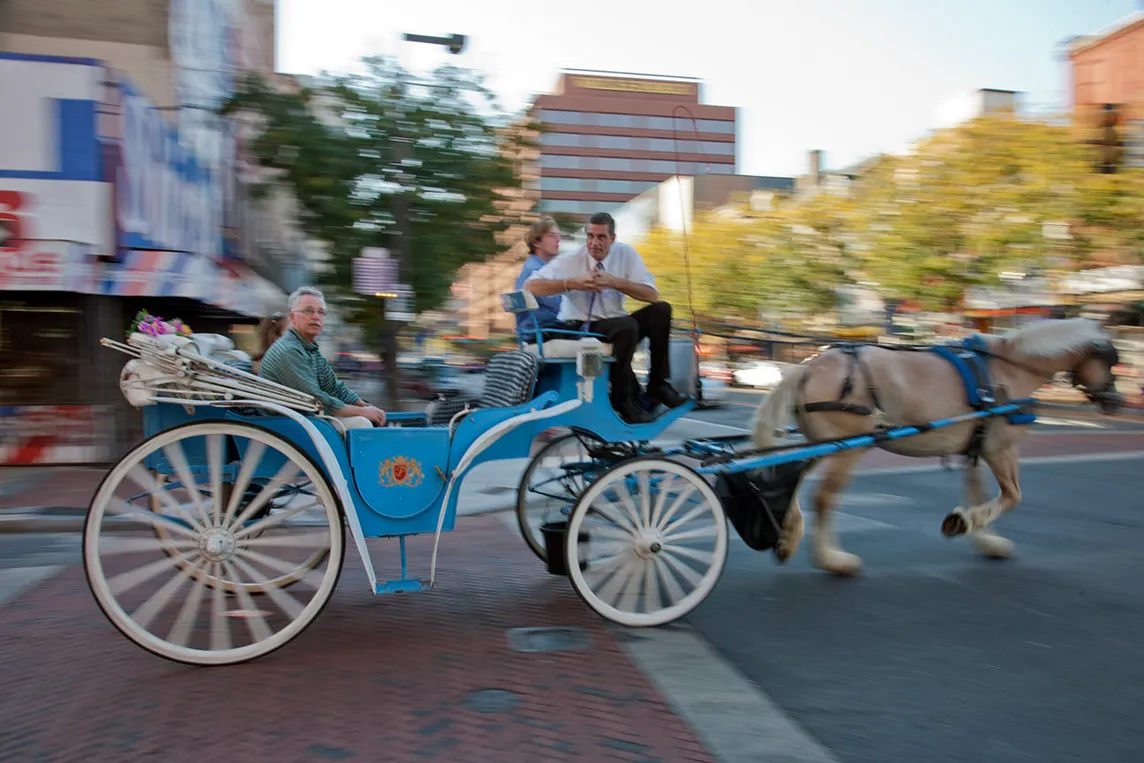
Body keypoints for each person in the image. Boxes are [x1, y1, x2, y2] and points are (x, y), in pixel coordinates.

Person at [524, 212, 687, 424]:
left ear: (613, 238)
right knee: (626, 326)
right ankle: (623, 400)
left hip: (615, 324)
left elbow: (651, 295)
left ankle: (658, 384)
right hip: (580, 326)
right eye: (590, 236)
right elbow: (530, 286)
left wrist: (615, 282)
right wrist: (573, 283)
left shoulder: (626, 254)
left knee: (662, 310)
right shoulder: (571, 259)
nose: (594, 243)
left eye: (601, 237)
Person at [259, 286, 387, 428]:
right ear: (293, 318)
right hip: (283, 425)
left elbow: (334, 387)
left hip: (302, 418)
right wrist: (363, 412)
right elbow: (316, 399)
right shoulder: (289, 350)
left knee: (365, 418)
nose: (316, 316)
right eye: (308, 311)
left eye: (321, 312)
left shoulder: (308, 347)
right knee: (361, 423)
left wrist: (366, 406)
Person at [514, 216, 564, 337]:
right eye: (552, 235)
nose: (558, 240)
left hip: (535, 330)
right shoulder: (535, 270)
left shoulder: (534, 266)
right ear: (536, 242)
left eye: (558, 235)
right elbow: (561, 305)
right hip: (543, 332)